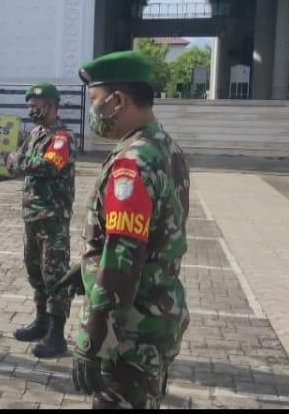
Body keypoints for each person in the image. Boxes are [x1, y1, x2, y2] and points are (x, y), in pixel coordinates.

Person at [69, 50, 191, 409]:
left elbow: (124, 254)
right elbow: (151, 236)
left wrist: (94, 338)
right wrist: (89, 267)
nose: (92, 111)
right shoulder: (165, 147)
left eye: (95, 100)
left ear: (117, 101)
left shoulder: (133, 163)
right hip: (154, 317)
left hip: (128, 332)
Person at [0, 83, 76, 358]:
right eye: (29, 105)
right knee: (35, 272)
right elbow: (19, 164)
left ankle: (56, 337)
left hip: (52, 218)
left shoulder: (62, 138)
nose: (31, 109)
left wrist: (10, 161)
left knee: (54, 276)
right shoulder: (35, 134)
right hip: (32, 216)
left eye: (36, 105)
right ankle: (41, 323)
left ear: (52, 105)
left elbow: (45, 167)